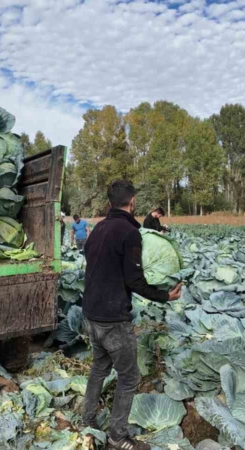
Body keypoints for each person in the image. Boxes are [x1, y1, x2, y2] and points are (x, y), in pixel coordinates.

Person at [82, 180, 183, 450]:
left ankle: (87, 421)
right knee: (129, 377)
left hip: (91, 314)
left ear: (110, 202)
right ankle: (117, 437)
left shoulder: (98, 229)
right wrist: (165, 296)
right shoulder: (129, 232)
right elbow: (136, 281)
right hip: (114, 318)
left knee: (99, 368)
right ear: (133, 202)